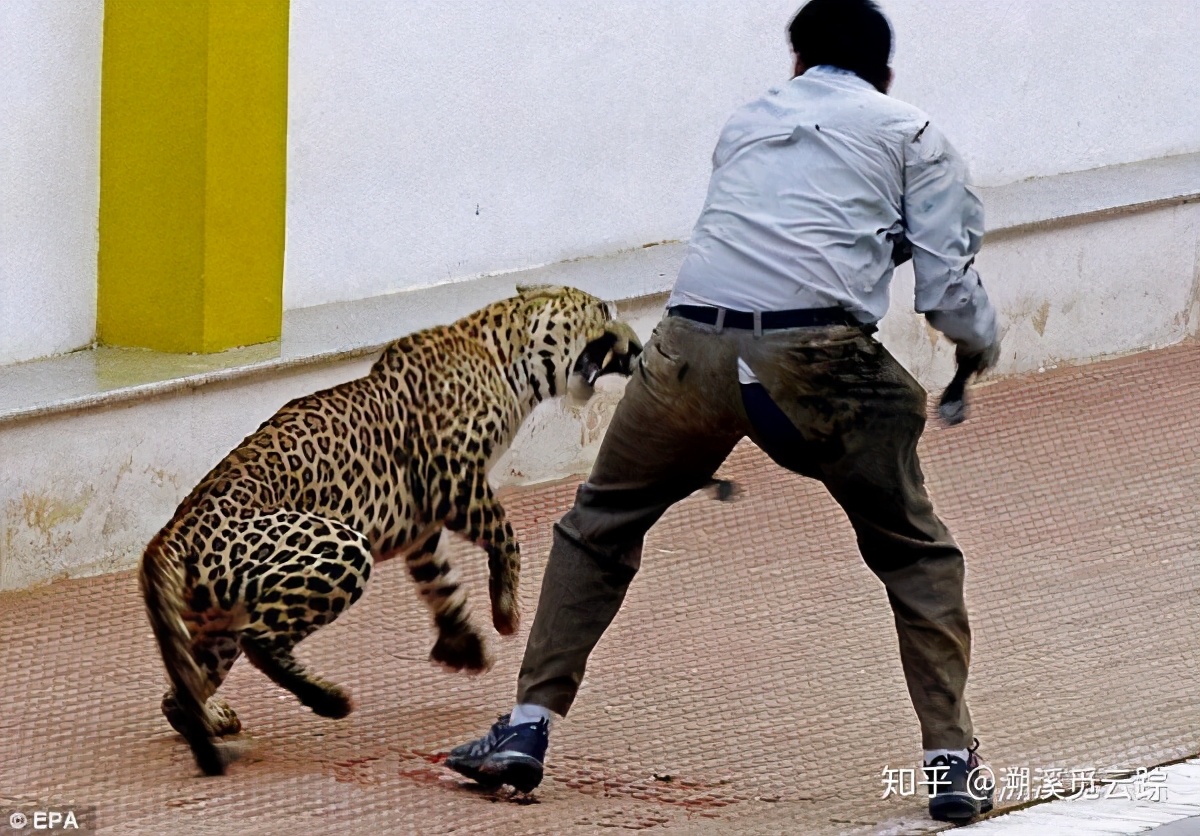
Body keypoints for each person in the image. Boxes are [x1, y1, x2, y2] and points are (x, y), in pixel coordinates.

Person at [446, 0, 1001, 823]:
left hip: (689, 352)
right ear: (884, 71)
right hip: (820, 366)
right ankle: (951, 763)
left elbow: (765, 234)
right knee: (916, 555)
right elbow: (948, 288)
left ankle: (526, 728)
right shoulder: (913, 134)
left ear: (797, 60)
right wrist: (976, 349)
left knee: (597, 528)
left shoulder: (747, 123)